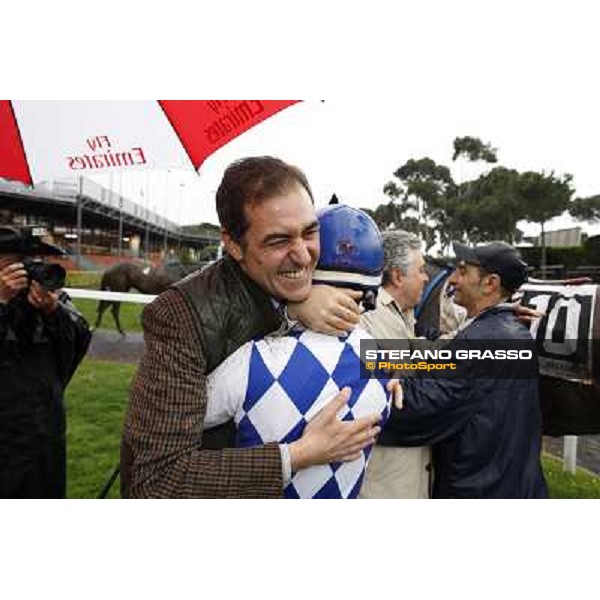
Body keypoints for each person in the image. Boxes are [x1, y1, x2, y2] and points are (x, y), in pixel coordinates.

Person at [120, 157, 383, 498]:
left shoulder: (318, 286)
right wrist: (298, 455)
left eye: (309, 231)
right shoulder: (179, 316)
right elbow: (156, 481)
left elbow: (399, 355)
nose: (303, 256)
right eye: (278, 241)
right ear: (232, 244)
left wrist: (392, 371)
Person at [204, 203, 391, 498]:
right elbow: (467, 358)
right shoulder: (380, 359)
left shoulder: (251, 360)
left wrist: (289, 305)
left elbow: (178, 419)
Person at [383, 241, 548, 498]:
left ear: (490, 283)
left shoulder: (479, 340)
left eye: (463, 271)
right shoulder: (512, 330)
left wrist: (362, 380)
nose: (453, 280)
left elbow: (415, 411)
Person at [0, 226, 91, 498]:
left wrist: (52, 311)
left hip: (44, 432)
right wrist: (1, 301)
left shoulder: (48, 295)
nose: (21, 272)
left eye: (26, 264)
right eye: (10, 265)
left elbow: (79, 339)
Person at [359, 230, 433, 499]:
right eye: (421, 270)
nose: (426, 277)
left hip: (409, 475)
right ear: (398, 276)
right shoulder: (365, 315)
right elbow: (378, 363)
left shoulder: (405, 313)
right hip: (383, 484)